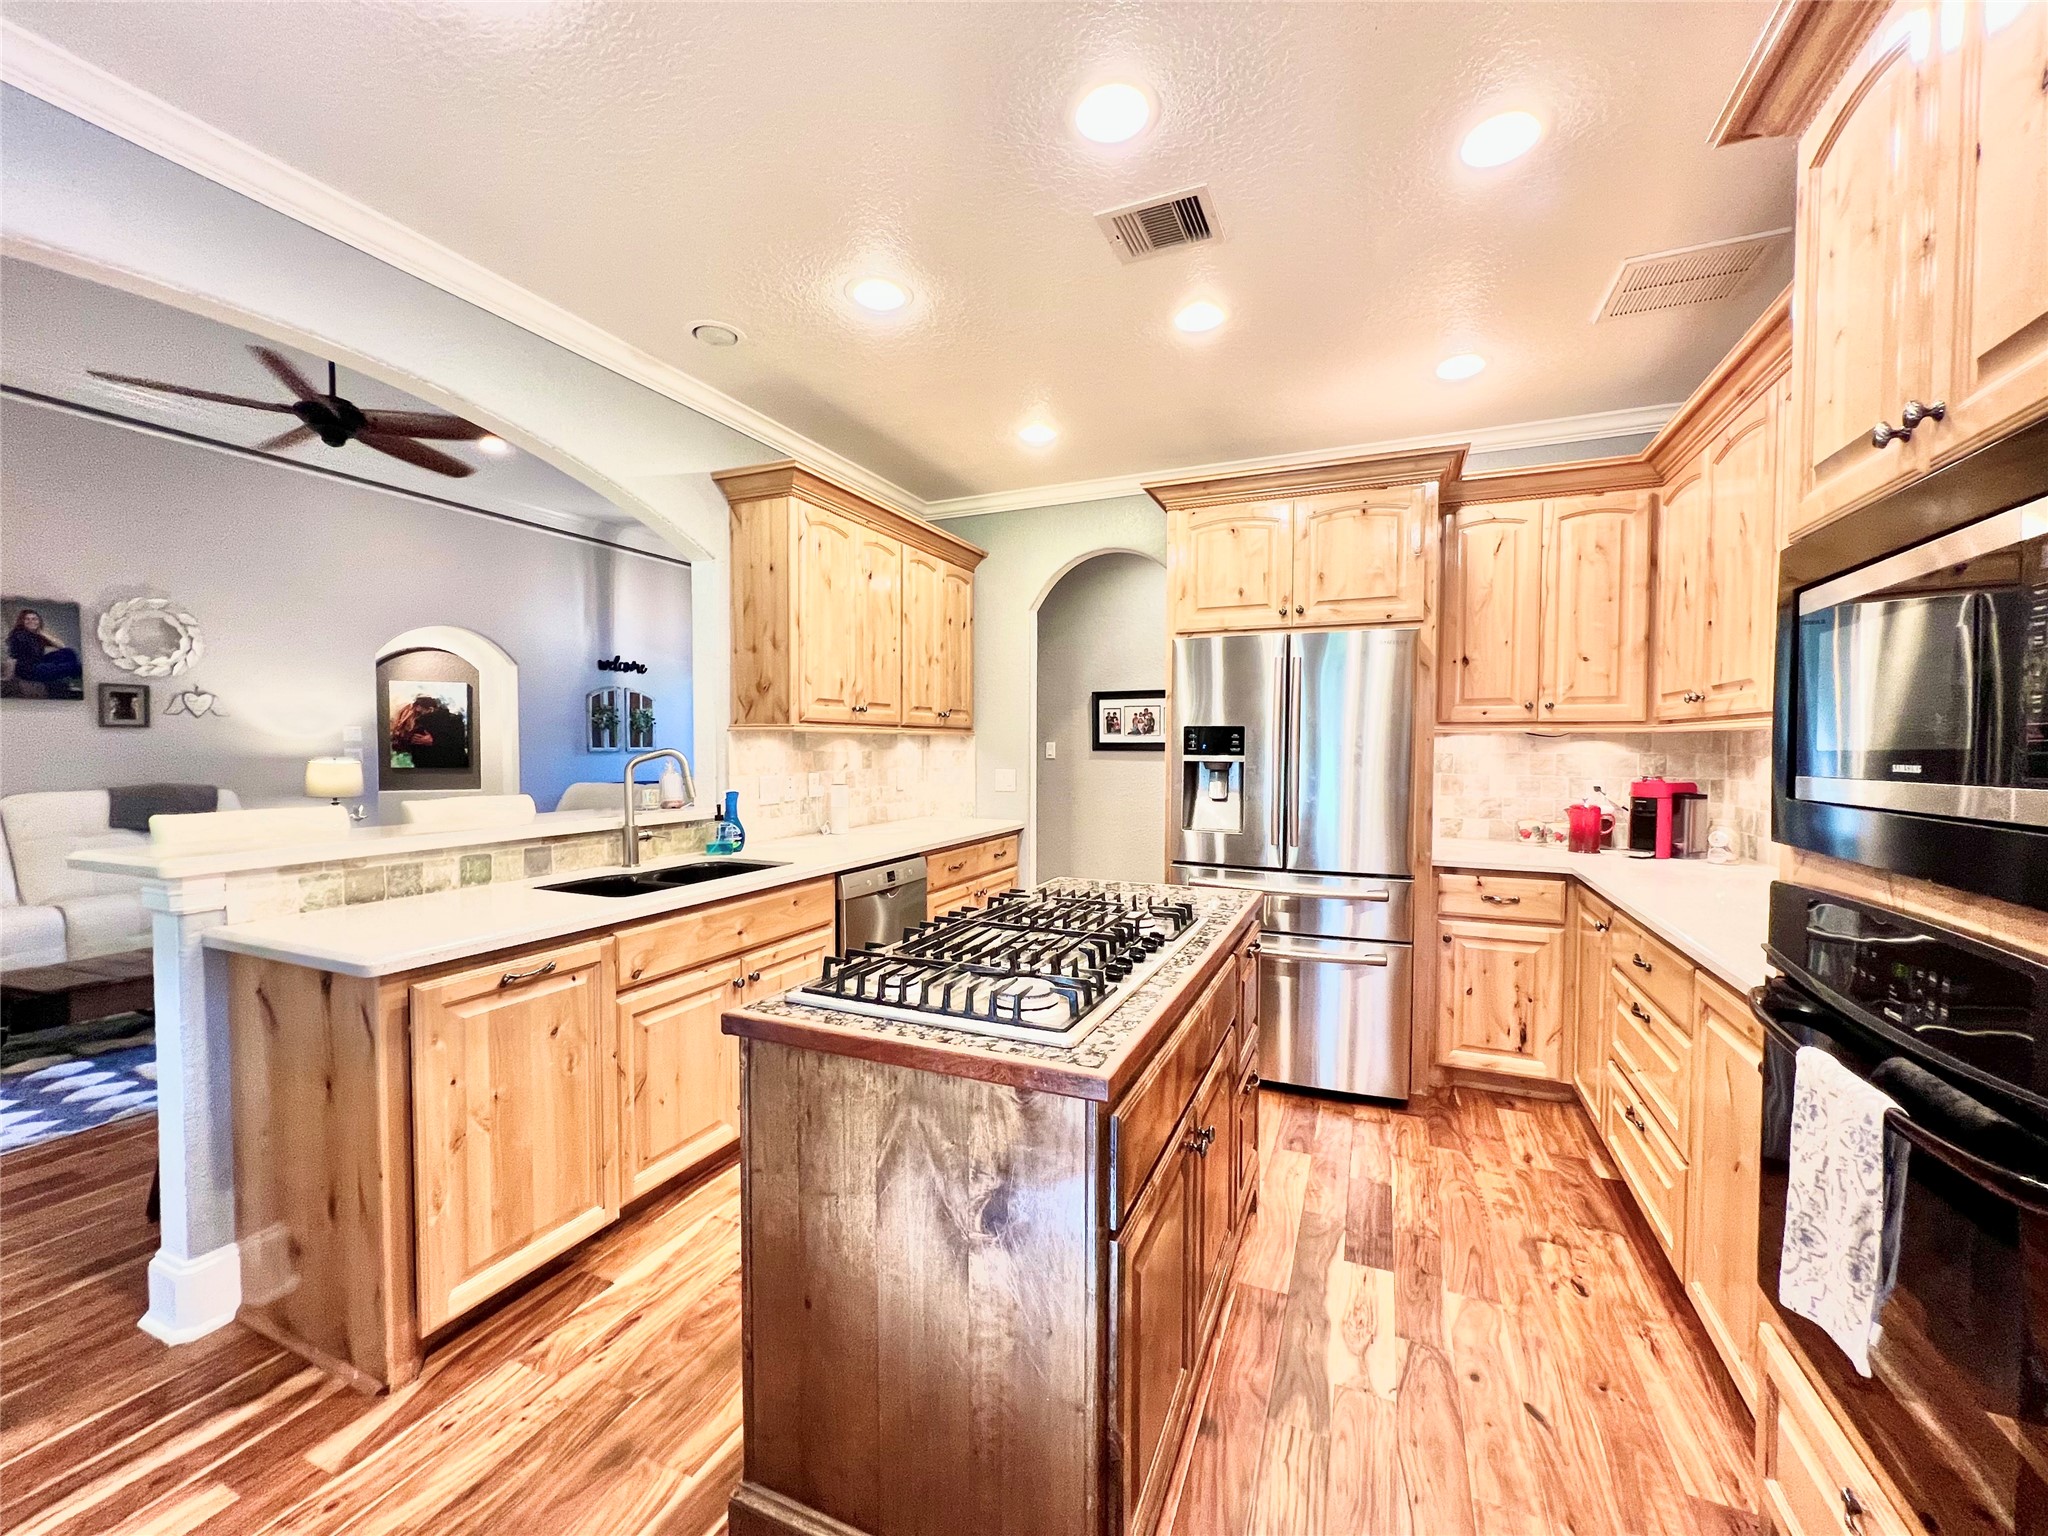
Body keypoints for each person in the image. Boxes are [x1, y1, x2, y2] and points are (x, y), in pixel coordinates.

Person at [5, 609, 83, 698]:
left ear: (39, 621)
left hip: (38, 662)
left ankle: (68, 679)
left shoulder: (36, 635)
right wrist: (9, 676)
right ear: (22, 621)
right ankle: (72, 683)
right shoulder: (18, 635)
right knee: (73, 667)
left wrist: (41, 632)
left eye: (34, 619)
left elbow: (61, 645)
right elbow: (14, 656)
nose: (31, 621)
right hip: (27, 670)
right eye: (27, 619)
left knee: (69, 652)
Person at [390, 689, 471, 770]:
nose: (418, 715)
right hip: (428, 768)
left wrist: (435, 741)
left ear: (431, 709)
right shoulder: (418, 722)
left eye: (420, 712)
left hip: (451, 767)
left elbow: (459, 744)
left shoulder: (452, 720)